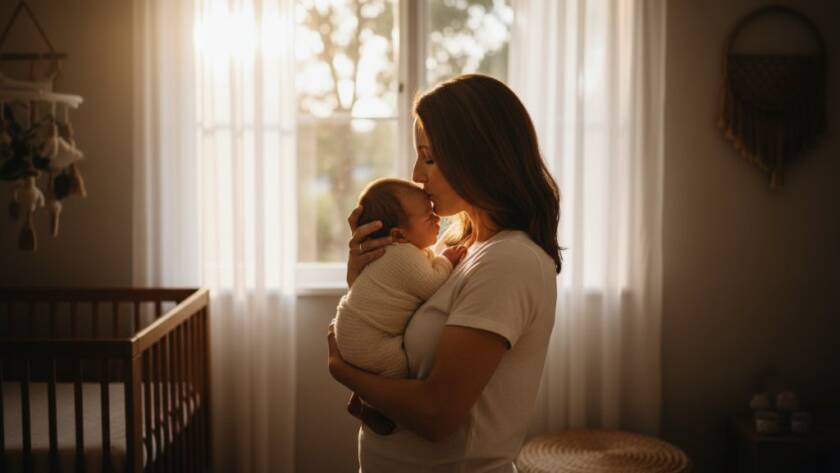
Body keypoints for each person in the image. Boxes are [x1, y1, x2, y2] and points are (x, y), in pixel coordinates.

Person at [327, 73, 562, 473]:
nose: (417, 174)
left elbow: (437, 414)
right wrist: (362, 281)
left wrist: (343, 371)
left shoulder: (509, 262)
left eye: (430, 157)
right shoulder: (461, 250)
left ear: (479, 157)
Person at [334, 177, 466, 379]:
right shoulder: (403, 255)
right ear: (399, 236)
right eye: (428, 217)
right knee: (397, 374)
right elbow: (432, 284)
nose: (437, 219)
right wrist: (446, 260)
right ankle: (373, 409)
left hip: (354, 329)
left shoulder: (402, 251)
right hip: (366, 338)